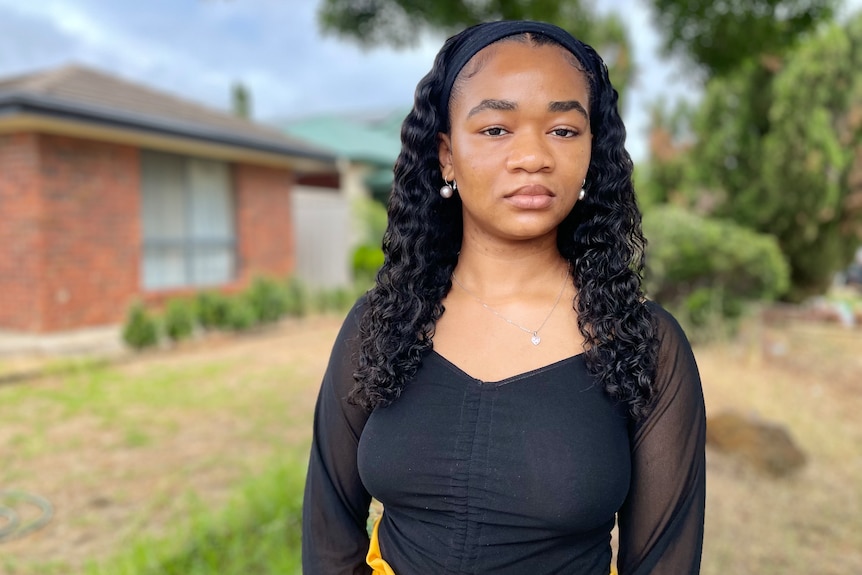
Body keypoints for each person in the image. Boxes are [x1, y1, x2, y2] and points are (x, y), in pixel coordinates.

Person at [302, 19, 706, 575]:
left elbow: (663, 563)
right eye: (496, 129)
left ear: (592, 151)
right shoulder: (383, 323)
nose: (532, 156)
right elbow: (328, 533)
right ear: (446, 154)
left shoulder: (644, 345)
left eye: (563, 130)